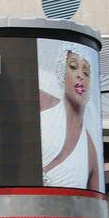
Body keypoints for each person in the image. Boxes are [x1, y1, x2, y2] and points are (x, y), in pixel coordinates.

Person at [41, 48, 101, 191]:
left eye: (86, 72)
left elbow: (92, 205)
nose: (80, 75)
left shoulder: (91, 152)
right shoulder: (42, 103)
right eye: (73, 67)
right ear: (62, 73)